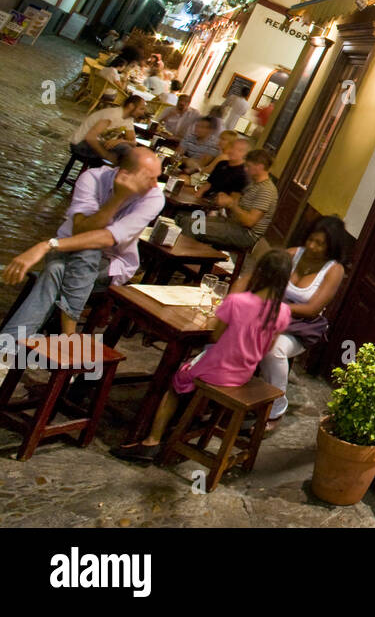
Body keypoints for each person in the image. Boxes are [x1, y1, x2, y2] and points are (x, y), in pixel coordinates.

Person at [110, 249, 294, 464]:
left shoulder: (238, 301)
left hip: (216, 369)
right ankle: (188, 420)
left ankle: (152, 439)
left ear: (259, 272)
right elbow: (267, 348)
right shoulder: (283, 312)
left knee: (175, 379)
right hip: (243, 374)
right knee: (195, 367)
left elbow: (215, 335)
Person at [0, 148, 163, 357]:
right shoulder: (93, 178)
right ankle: (67, 337)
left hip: (111, 261)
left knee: (58, 270)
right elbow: (81, 230)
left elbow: (106, 239)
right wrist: (117, 198)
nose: (154, 184)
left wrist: (46, 245)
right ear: (124, 173)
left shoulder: (154, 197)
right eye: (149, 178)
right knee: (69, 263)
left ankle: (7, 352)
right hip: (69, 249)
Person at [256, 216, 346, 424]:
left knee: (273, 348)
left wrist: (277, 308)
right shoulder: (292, 254)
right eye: (311, 240)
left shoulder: (333, 270)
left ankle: (276, 405)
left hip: (299, 326)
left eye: (320, 244)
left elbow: (312, 309)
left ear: (331, 246)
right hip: (268, 315)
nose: (312, 246)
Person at [177, 148, 277, 251]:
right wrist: (224, 202)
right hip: (232, 223)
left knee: (192, 226)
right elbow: (237, 209)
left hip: (245, 234)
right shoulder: (253, 184)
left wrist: (231, 204)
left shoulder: (266, 190)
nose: (245, 169)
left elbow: (249, 222)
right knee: (184, 219)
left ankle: (181, 259)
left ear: (259, 167)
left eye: (248, 166)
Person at [70, 94, 147, 164]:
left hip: (98, 146)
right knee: (124, 150)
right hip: (80, 145)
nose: (143, 113)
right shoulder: (112, 114)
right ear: (131, 106)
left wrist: (120, 141)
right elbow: (90, 137)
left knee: (128, 152)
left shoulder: (128, 119)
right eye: (141, 109)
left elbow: (133, 142)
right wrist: (107, 156)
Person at [196, 136, 249, 200]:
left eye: (239, 150)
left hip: (219, 205)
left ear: (245, 154)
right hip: (206, 198)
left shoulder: (243, 174)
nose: (233, 151)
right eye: (232, 147)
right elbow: (208, 184)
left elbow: (234, 199)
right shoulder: (222, 163)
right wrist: (197, 197)